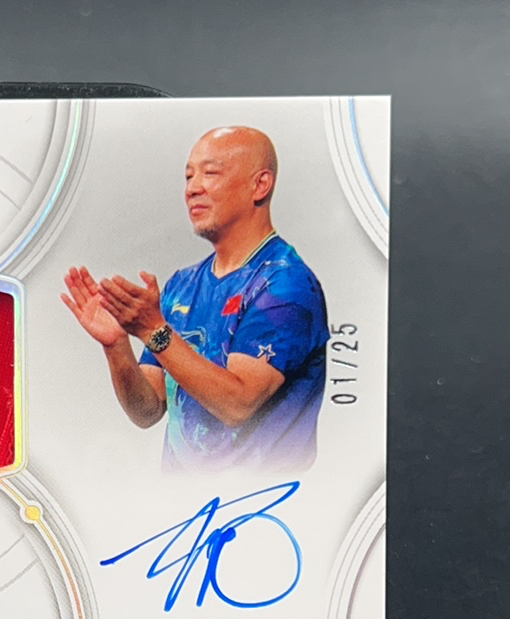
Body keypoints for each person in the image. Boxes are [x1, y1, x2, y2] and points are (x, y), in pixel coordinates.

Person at [61, 126, 329, 472]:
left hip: (261, 499)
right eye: (188, 176)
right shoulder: (182, 284)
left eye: (210, 173)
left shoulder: (284, 285)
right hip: (182, 500)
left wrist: (153, 331)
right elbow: (147, 411)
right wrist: (117, 347)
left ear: (260, 185)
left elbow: (237, 405)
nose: (192, 188)